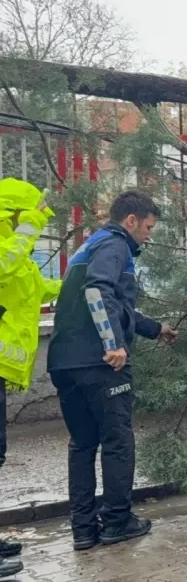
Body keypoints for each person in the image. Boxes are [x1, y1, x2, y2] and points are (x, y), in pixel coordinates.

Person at [48, 190, 178, 551]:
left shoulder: (88, 247)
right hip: (101, 364)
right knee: (117, 442)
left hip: (65, 363)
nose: (149, 235)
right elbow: (98, 292)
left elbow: (112, 303)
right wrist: (113, 345)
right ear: (131, 221)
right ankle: (117, 522)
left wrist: (155, 329)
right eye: (148, 227)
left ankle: (84, 530)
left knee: (82, 445)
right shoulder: (116, 245)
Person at [0, 178, 61, 578]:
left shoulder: (15, 251)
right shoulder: (9, 247)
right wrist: (29, 227)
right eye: (32, 214)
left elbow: (37, 290)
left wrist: (76, 283)